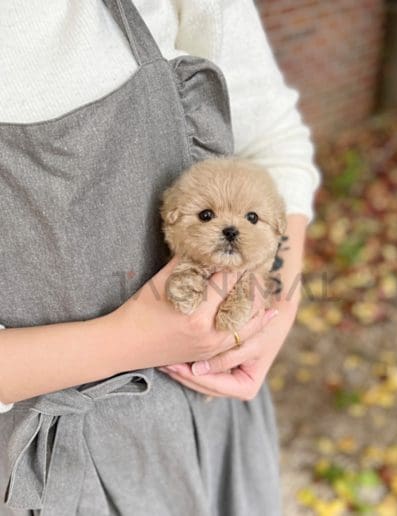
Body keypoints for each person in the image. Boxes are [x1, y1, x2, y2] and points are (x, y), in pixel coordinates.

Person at [0, 0, 320, 514]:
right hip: (31, 471)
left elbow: (269, 138)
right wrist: (128, 341)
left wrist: (271, 298)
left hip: (205, 418)